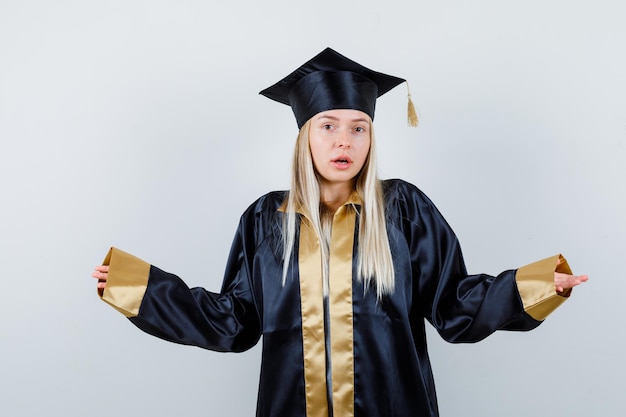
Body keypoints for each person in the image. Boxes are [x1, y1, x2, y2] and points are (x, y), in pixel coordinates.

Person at [92, 47, 588, 417]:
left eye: (358, 127)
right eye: (327, 125)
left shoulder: (403, 210)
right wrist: (136, 285)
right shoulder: (267, 221)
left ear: (372, 136)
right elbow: (233, 321)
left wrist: (539, 284)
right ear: (304, 135)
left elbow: (455, 304)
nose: (344, 140)